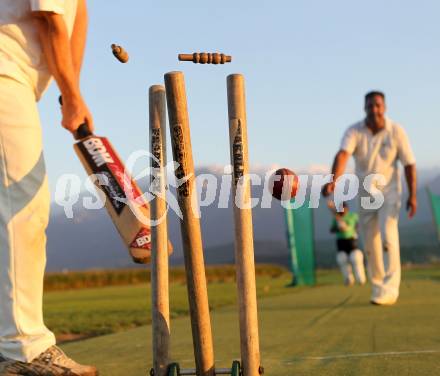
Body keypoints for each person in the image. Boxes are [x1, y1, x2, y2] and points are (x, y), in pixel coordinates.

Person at [0, 1, 97, 374]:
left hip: (18, 79)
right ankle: (22, 350)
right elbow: (50, 19)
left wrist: (68, 92)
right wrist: (72, 97)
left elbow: (77, 14)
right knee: (23, 205)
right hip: (6, 73)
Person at [323, 91, 417, 306]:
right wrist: (333, 180)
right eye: (369, 106)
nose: (373, 109)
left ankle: (391, 288)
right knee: (370, 243)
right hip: (365, 194)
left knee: (388, 235)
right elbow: (343, 155)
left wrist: (412, 195)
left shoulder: (396, 131)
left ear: (384, 107)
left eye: (377, 105)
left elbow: (409, 164)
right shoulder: (354, 131)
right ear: (364, 108)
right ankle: (378, 287)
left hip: (390, 192)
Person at [328, 201, 366, 286]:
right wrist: (338, 229)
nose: (342, 211)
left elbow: (358, 224)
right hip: (341, 242)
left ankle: (361, 279)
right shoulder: (336, 218)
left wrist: (356, 230)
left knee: (355, 258)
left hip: (351, 241)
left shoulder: (353, 216)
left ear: (347, 209)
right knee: (342, 259)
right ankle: (348, 279)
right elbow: (331, 229)